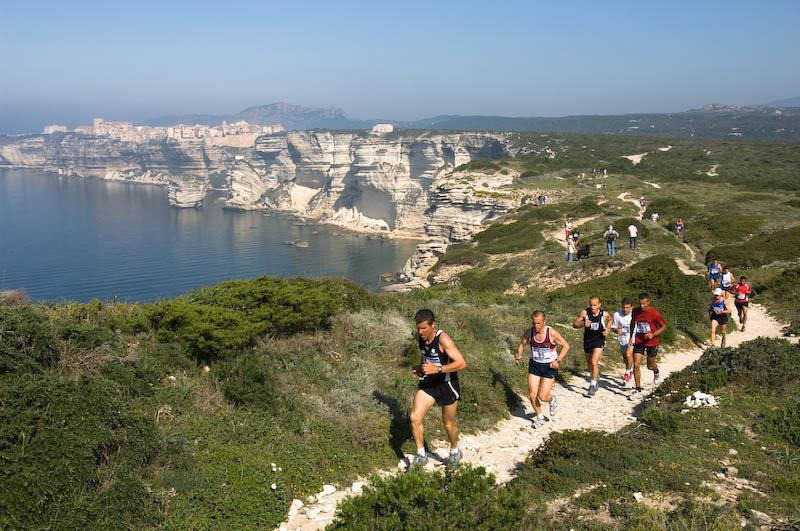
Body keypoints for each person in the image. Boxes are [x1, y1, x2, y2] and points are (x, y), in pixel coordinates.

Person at [410, 309, 467, 467]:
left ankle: (455, 451)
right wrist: (420, 368)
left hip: (447, 384)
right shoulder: (419, 337)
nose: (420, 332)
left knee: (448, 423)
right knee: (415, 417)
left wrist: (438, 369)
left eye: (424, 328)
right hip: (428, 384)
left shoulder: (443, 339)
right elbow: (426, 358)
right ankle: (421, 454)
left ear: (433, 325)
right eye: (418, 328)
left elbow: (461, 363)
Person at [515, 310, 570, 428]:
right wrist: (519, 355)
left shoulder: (552, 333)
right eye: (534, 323)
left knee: (543, 396)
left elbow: (566, 345)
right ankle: (540, 417)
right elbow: (522, 344)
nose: (536, 326)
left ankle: (552, 399)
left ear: (544, 322)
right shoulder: (529, 333)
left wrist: (557, 360)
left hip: (549, 366)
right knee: (532, 394)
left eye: (539, 323)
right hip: (535, 365)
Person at [628, 292, 667, 401]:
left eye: (644, 304)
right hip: (639, 340)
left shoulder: (654, 313)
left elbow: (664, 326)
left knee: (650, 365)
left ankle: (656, 371)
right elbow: (632, 323)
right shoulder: (635, 311)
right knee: (636, 364)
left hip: (652, 342)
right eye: (640, 304)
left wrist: (653, 334)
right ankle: (638, 389)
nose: (642, 306)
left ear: (648, 302)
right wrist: (631, 336)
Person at [572, 296, 611, 397]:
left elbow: (610, 320)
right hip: (588, 340)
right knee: (589, 364)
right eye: (591, 305)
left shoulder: (604, 314)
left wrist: (607, 329)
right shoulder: (585, 313)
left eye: (595, 305)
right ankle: (595, 379)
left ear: (599, 305)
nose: (593, 307)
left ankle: (592, 385)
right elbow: (575, 324)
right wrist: (584, 323)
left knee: (594, 362)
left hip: (599, 340)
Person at [612, 297, 634, 385]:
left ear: (631, 307)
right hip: (622, 338)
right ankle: (630, 369)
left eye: (628, 307)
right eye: (624, 307)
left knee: (629, 354)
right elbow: (613, 327)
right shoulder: (617, 314)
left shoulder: (634, 315)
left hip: (632, 337)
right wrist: (616, 330)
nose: (625, 309)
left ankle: (627, 373)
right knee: (625, 357)